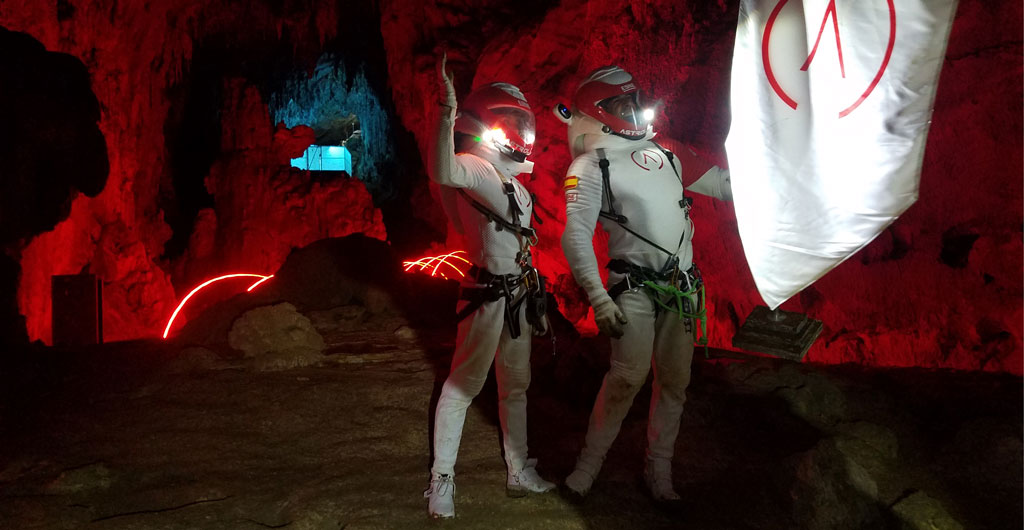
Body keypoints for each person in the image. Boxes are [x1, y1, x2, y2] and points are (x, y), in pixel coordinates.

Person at [556, 65, 732, 505]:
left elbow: (724, 186)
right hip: (632, 286)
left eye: (634, 101)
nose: (634, 111)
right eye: (623, 104)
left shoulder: (668, 152)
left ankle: (659, 470)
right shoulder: (589, 165)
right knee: (627, 376)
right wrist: (598, 298)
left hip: (681, 286)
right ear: (599, 112)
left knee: (674, 381)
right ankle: (588, 466)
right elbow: (575, 235)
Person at [422, 54, 555, 519]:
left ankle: (517, 470)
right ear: (484, 124)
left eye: (521, 122)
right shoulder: (476, 166)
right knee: (463, 385)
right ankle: (441, 480)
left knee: (515, 386)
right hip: (486, 293)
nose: (518, 132)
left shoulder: (513, 182)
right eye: (510, 122)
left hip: (516, 293)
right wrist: (446, 110)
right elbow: (443, 171)